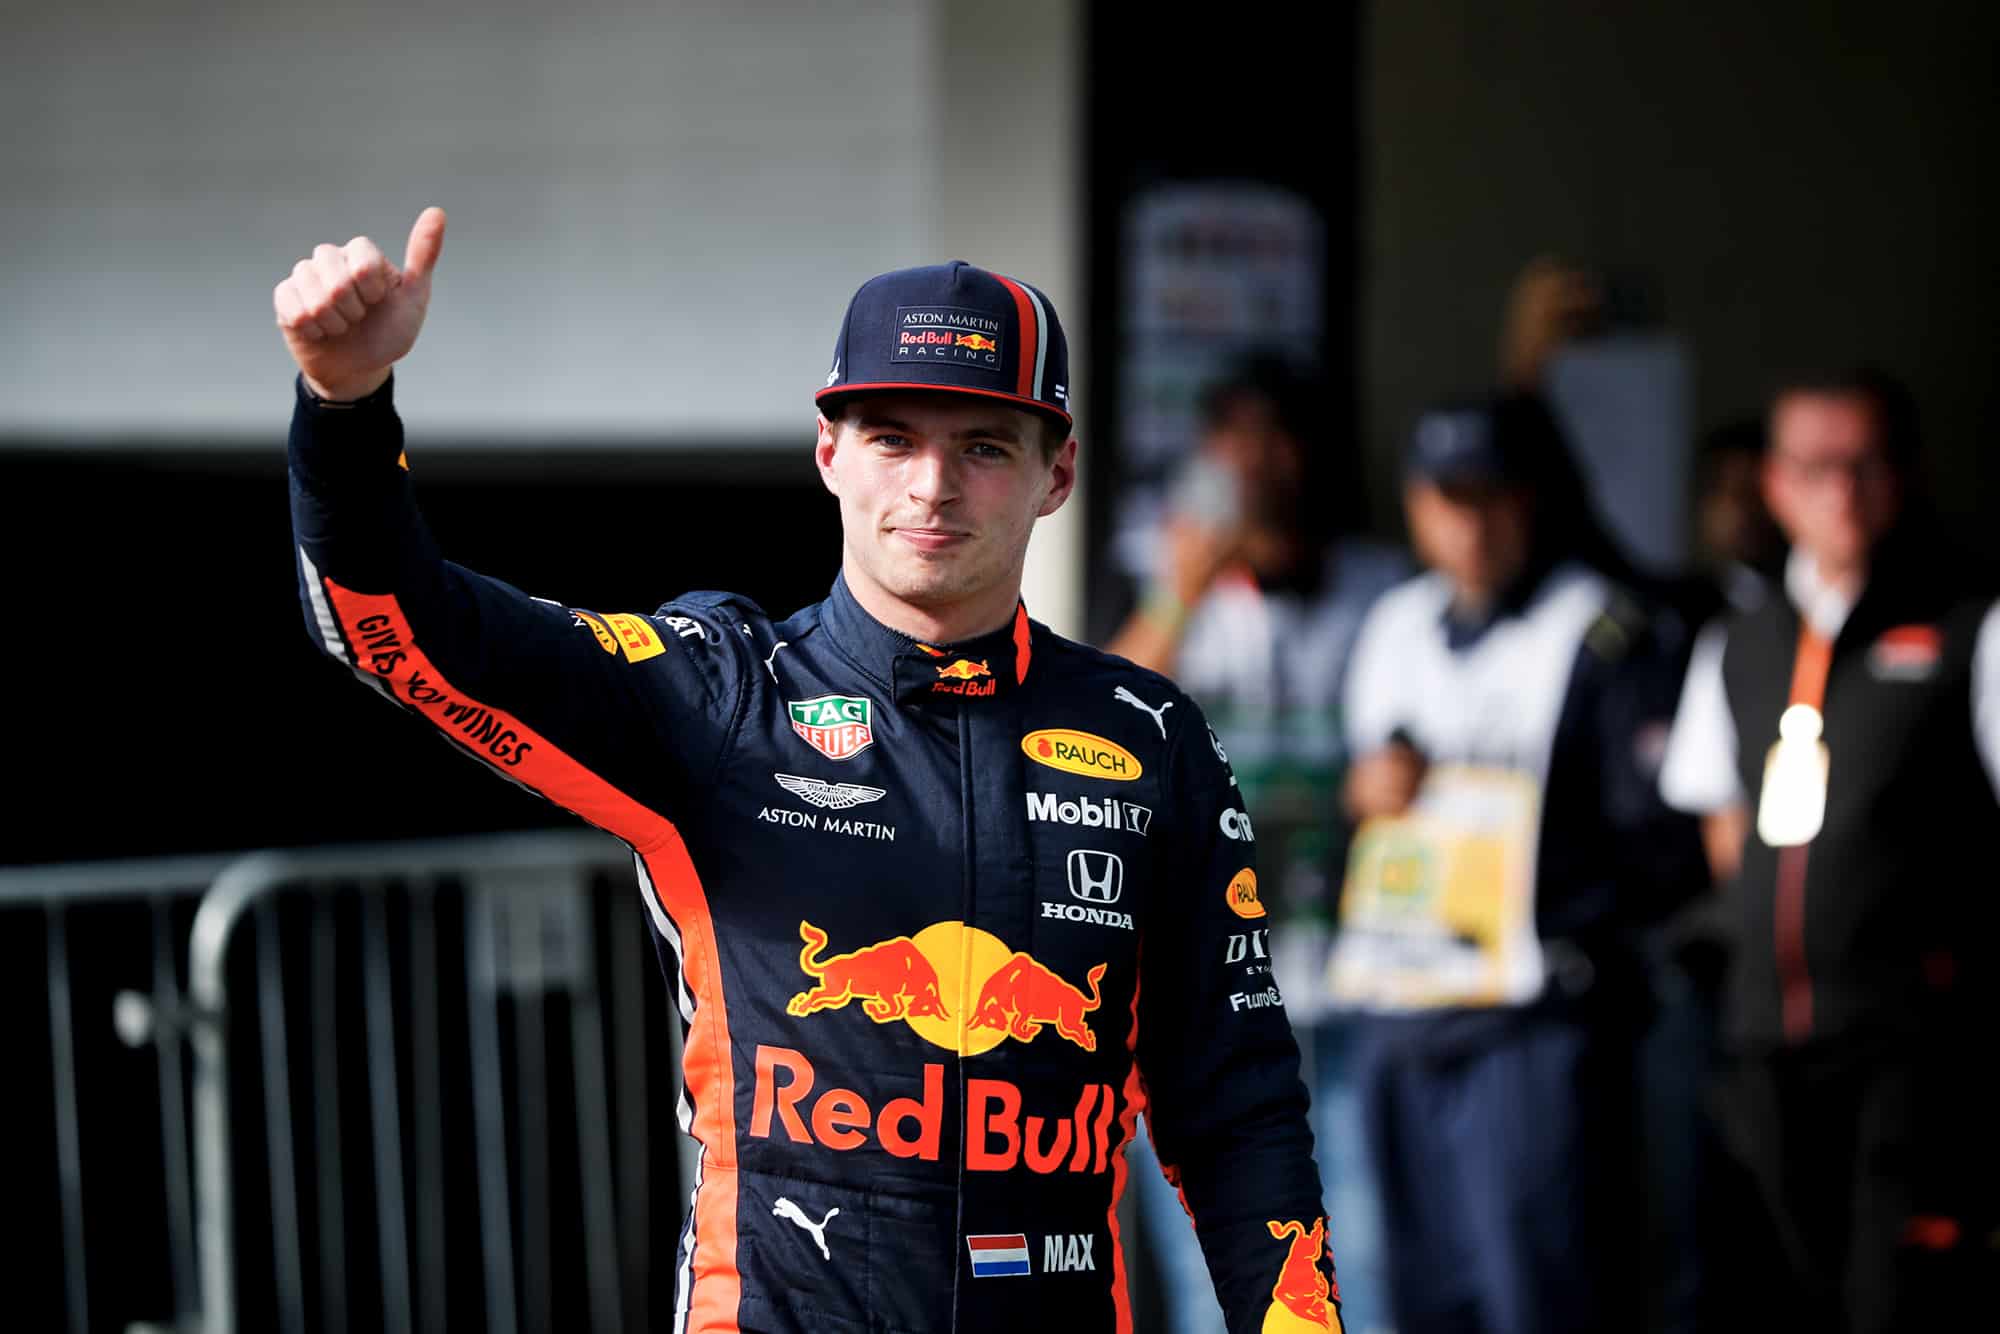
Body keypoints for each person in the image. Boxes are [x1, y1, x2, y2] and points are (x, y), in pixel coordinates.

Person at [274, 209, 1343, 1334]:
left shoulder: (1149, 738)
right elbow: (401, 631)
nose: (931, 486)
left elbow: (1238, 1111)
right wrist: (344, 407)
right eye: (892, 437)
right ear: (828, 451)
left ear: (1055, 473)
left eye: (982, 446)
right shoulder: (720, 692)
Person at [1330, 392, 1705, 1334]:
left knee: (1535, 1297)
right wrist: (1366, 794)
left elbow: (1659, 850)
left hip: (1534, 1022)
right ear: (1416, 506)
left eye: (1493, 495)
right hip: (1403, 1013)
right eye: (1447, 496)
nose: (1470, 521)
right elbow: (1364, 814)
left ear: (1533, 501)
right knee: (1422, 1299)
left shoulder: (1600, 633)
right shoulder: (1395, 625)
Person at [1657, 368, 2000, 1332]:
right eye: (1815, 468)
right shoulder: (1739, 638)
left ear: (1908, 475)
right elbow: (1720, 817)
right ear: (1774, 484)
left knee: (1899, 1301)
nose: (1841, 493)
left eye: (1866, 466)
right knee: (1775, 1298)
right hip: (1764, 1052)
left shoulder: (1970, 620)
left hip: (1913, 1049)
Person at [1104, 357, 1405, 1334]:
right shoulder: (1163, 577)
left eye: (1278, 435)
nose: (1259, 463)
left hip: (1348, 975)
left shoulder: (1378, 586)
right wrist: (1181, 592)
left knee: (1359, 1256)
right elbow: (1100, 742)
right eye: (1233, 439)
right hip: (1200, 982)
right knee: (1214, 1273)